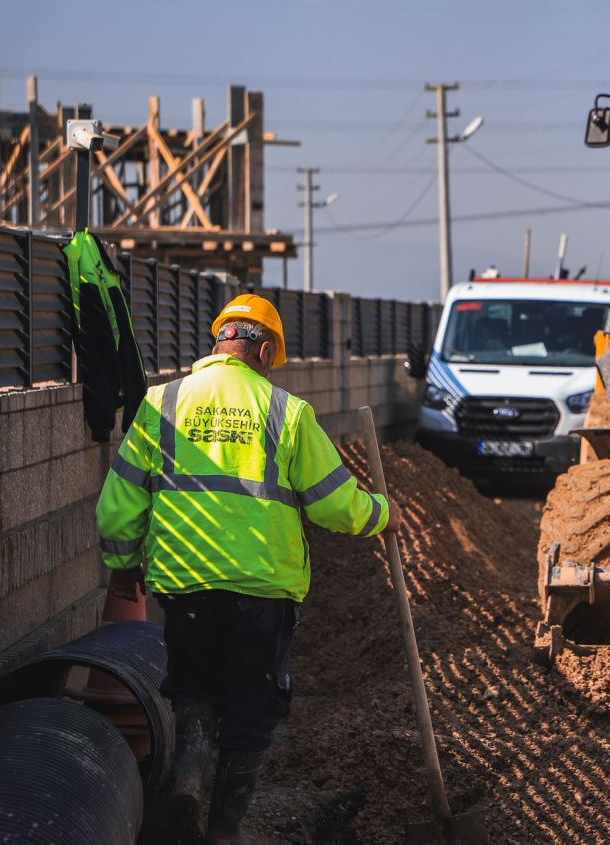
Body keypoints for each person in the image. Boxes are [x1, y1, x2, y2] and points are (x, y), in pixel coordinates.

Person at [96, 293, 400, 845]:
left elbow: (119, 502)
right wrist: (382, 513)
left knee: (193, 690)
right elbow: (335, 504)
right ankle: (225, 830)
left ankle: (187, 783)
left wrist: (122, 567)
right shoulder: (287, 412)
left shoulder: (161, 403)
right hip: (263, 588)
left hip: (184, 582)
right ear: (261, 350)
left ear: (219, 342)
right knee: (250, 709)